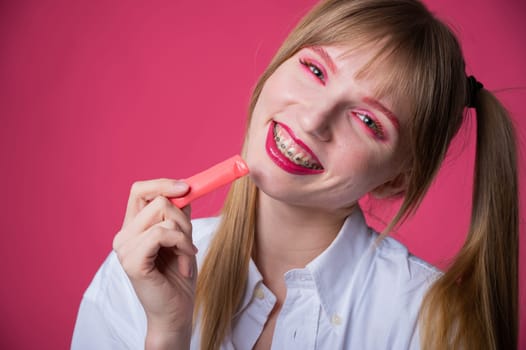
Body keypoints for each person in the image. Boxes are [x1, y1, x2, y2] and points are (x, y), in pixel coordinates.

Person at [71, 0, 519, 349]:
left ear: (395, 180)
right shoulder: (141, 274)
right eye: (315, 69)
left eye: (368, 121)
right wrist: (167, 335)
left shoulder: (433, 327)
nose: (312, 121)